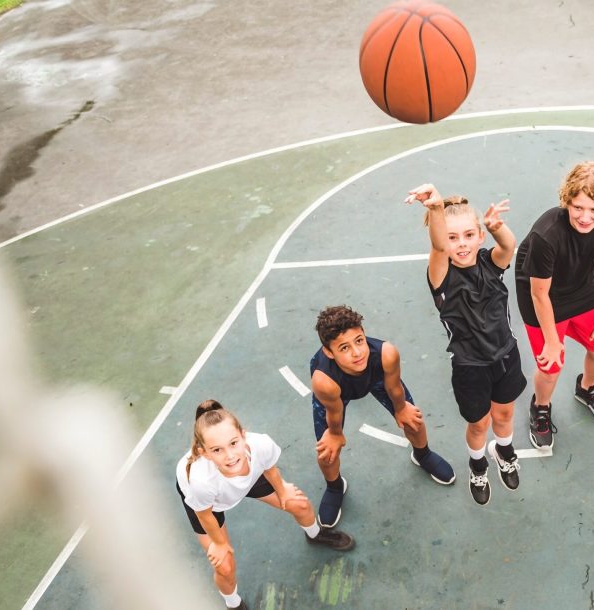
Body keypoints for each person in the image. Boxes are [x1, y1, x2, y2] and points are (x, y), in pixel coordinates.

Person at [405, 183, 527, 506]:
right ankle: (477, 464)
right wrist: (434, 209)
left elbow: (509, 247)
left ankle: (504, 450)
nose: (461, 244)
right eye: (453, 237)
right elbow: (437, 248)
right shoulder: (441, 276)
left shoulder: (490, 262)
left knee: (505, 413)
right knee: (479, 423)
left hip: (506, 355)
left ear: (480, 236)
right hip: (470, 366)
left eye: (469, 235)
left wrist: (498, 229)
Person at [176, 400, 354, 610]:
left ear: (243, 435)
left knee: (300, 504)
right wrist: (220, 544)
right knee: (225, 566)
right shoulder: (200, 482)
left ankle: (316, 535)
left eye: (233, 443)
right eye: (217, 450)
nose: (230, 455)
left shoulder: (260, 444)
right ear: (204, 452)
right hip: (210, 503)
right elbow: (204, 514)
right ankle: (233, 604)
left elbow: (269, 468)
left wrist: (282, 491)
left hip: (248, 478)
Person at [514, 161, 594, 450]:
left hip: (580, 286)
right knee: (551, 365)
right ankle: (540, 408)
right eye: (578, 207)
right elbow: (540, 294)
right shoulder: (547, 233)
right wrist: (552, 341)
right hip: (540, 295)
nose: (585, 217)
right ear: (566, 200)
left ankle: (587, 388)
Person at [310, 305, 455, 527]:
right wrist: (335, 434)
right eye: (344, 347)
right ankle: (335, 486)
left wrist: (401, 409)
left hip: (376, 377)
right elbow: (334, 411)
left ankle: (423, 455)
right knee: (327, 452)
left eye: (359, 340)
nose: (357, 352)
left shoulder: (386, 354)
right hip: (338, 390)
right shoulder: (324, 380)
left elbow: (395, 389)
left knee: (412, 419)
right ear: (329, 352)